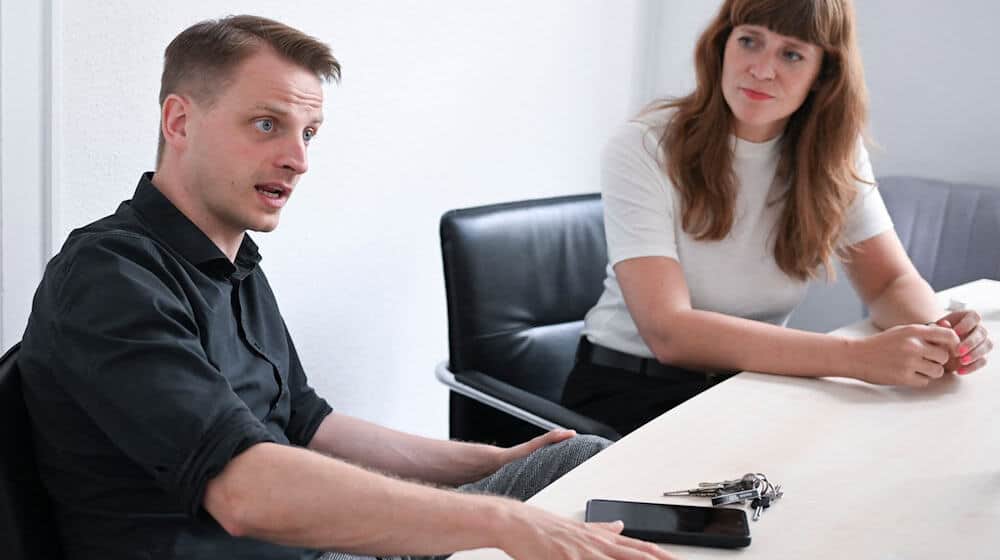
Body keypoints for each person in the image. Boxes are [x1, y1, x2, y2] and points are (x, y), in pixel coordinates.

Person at [18, 15, 677, 560]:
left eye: (308, 134)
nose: (299, 160)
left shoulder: (234, 260)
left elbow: (307, 422)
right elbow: (245, 494)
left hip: (320, 548)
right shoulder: (111, 279)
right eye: (267, 125)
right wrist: (503, 521)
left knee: (581, 460)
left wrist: (487, 462)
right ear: (180, 122)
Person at [561, 0, 993, 436]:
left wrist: (939, 335)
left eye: (791, 54)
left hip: (748, 388)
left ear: (822, 73)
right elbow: (670, 331)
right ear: (722, 46)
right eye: (750, 41)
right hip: (628, 390)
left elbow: (888, 283)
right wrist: (856, 358)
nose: (762, 69)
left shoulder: (832, 155)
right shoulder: (646, 145)